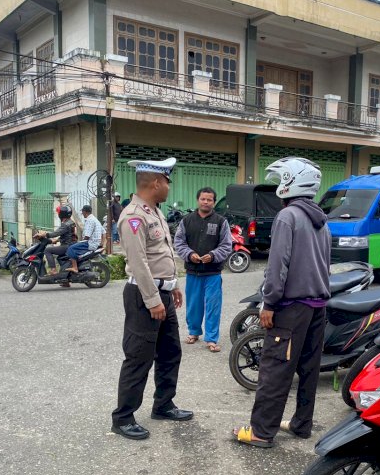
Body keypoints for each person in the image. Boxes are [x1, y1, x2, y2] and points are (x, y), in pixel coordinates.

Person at [232, 157, 331, 448]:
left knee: (275, 368)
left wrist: (269, 302)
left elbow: (278, 266)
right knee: (309, 369)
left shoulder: (288, 217)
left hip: (291, 308)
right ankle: (302, 423)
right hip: (317, 307)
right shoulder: (321, 220)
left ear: (291, 181)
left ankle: (262, 432)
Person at [111, 157, 193, 441]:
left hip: (163, 292)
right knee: (138, 357)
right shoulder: (133, 215)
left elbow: (164, 255)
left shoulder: (155, 212)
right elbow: (138, 261)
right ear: (156, 182)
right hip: (144, 295)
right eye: (167, 181)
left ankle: (163, 405)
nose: (169, 186)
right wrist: (153, 299)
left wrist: (174, 285)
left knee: (171, 352)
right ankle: (122, 417)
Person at [173, 187, 232, 353]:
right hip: (193, 272)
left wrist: (213, 255)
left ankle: (212, 339)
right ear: (198, 200)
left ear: (214, 202)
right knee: (193, 305)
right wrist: (189, 254)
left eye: (210, 200)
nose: (206, 202)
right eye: (203, 199)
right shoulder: (187, 220)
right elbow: (179, 242)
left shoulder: (221, 222)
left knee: (213, 306)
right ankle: (193, 332)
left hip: (213, 273)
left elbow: (227, 245)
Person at [36, 205, 76, 275]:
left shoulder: (65, 224)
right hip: (71, 245)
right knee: (59, 258)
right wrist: (56, 240)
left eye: (58, 213)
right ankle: (64, 278)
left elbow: (55, 233)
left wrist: (43, 234)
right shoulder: (71, 222)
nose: (58, 214)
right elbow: (68, 235)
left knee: (48, 250)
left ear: (61, 214)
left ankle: (53, 270)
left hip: (67, 246)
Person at [65, 205, 105, 273]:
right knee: (75, 245)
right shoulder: (95, 219)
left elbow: (87, 236)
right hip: (95, 243)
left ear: (85, 212)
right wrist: (102, 244)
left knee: (71, 248)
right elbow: (104, 232)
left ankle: (75, 267)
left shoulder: (90, 220)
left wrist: (80, 242)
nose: (82, 213)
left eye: (82, 212)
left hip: (90, 243)